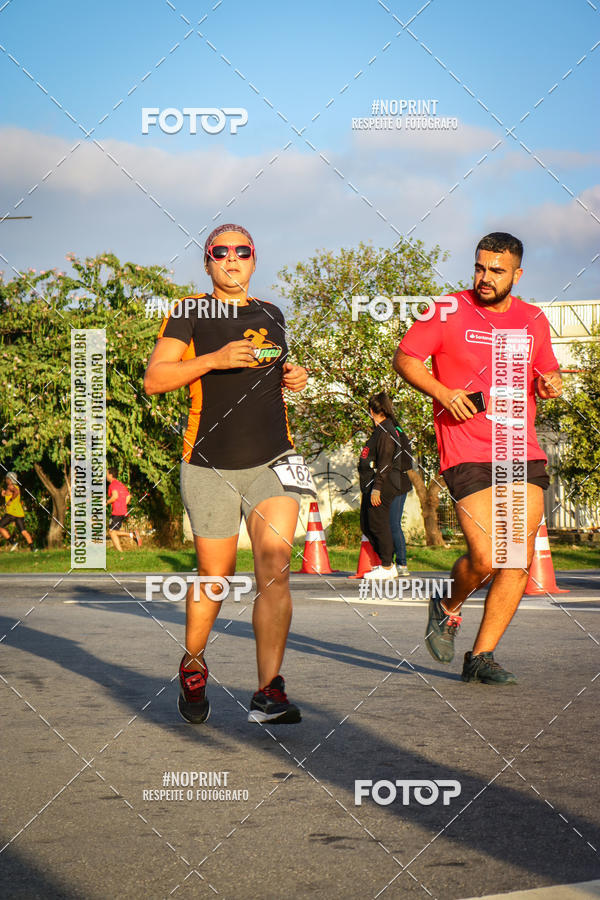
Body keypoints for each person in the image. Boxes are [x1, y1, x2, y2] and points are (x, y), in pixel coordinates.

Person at [143, 223, 311, 725]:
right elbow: (155, 379)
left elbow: (274, 375)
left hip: (274, 458)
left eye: (242, 251)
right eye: (221, 252)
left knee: (275, 564)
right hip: (209, 463)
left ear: (254, 259)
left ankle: (268, 691)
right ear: (208, 262)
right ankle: (193, 663)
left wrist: (295, 376)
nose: (232, 258)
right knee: (216, 577)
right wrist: (213, 360)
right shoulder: (189, 312)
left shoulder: (272, 314)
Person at [394, 232, 562, 684]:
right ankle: (447, 605)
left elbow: (547, 370)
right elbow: (405, 358)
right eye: (479, 267)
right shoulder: (446, 309)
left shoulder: (533, 318)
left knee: (516, 558)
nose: (485, 277)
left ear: (517, 274)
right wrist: (442, 392)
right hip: (466, 447)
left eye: (496, 271)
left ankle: (481, 656)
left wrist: (550, 383)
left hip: (520, 447)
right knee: (486, 557)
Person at [358, 392, 411, 579]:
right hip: (382, 483)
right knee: (369, 524)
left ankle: (390, 565)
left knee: (383, 524)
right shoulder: (387, 428)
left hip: (387, 484)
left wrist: (377, 487)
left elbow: (386, 462)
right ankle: (388, 563)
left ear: (371, 411)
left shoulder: (387, 430)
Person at [388, 417, 413, 577]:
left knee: (393, 524)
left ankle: (401, 563)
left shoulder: (394, 434)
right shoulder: (399, 432)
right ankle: (390, 562)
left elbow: (404, 462)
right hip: (397, 483)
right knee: (390, 525)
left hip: (397, 484)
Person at [106, 469, 141, 552]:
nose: (106, 476)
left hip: (117, 511)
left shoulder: (112, 485)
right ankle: (122, 549)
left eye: (107, 473)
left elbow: (115, 496)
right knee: (113, 531)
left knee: (112, 532)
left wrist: (106, 502)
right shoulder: (121, 484)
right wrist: (122, 505)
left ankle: (130, 537)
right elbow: (128, 496)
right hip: (123, 511)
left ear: (111, 475)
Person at [0, 472, 35, 551]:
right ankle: (33, 548)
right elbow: (11, 493)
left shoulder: (10, 486)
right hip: (19, 513)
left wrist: (10, 500)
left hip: (11, 513)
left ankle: (13, 542)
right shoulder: (15, 486)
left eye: (6, 478)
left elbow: (16, 492)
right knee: (23, 531)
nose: (5, 480)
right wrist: (4, 494)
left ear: (9, 479)